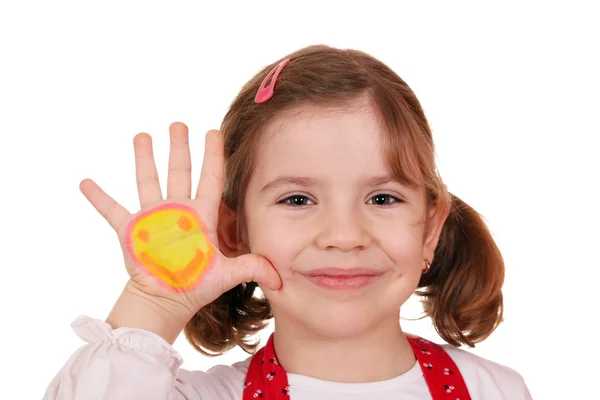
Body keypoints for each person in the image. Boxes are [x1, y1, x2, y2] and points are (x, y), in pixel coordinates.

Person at [44, 44, 533, 399]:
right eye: (298, 200)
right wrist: (154, 303)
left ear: (429, 230)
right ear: (235, 233)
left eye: (383, 198)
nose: (344, 236)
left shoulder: (497, 391)